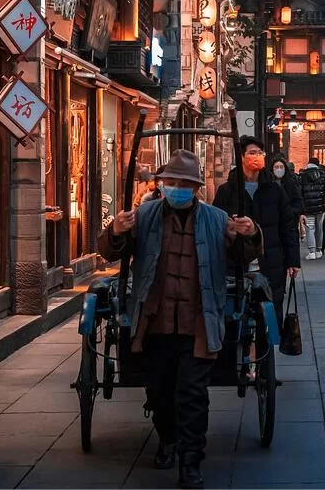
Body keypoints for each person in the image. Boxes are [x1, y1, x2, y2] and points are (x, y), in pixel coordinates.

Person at [98, 150, 261, 489]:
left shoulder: (216, 219)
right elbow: (111, 251)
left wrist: (249, 234)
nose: (177, 188)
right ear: (161, 185)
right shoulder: (144, 216)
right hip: (155, 321)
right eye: (171, 182)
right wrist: (115, 230)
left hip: (198, 320)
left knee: (192, 394)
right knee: (159, 389)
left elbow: (241, 257)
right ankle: (168, 439)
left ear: (196, 188)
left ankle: (190, 459)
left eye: (184, 184)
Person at [214, 138, 301, 328]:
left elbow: (287, 226)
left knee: (272, 310)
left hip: (271, 260)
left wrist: (293, 260)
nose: (257, 157)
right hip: (236, 263)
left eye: (260, 153)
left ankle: (271, 344)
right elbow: (216, 228)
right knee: (237, 315)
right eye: (252, 153)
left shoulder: (275, 190)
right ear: (241, 157)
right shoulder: (226, 191)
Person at [296, 157, 325, 260]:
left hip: (307, 207)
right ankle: (319, 250)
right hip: (320, 207)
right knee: (319, 228)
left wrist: (301, 208)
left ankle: (312, 251)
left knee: (310, 228)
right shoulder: (323, 175)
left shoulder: (302, 176)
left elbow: (299, 193)